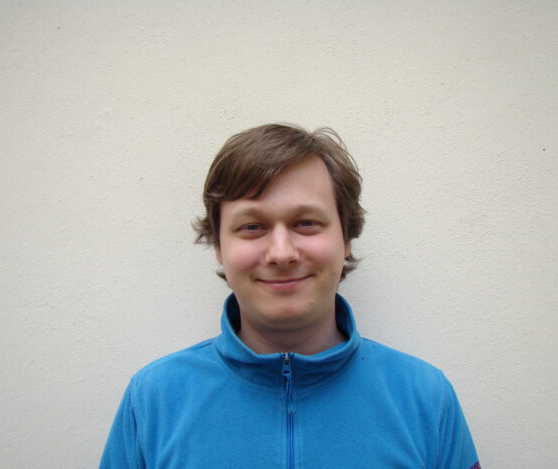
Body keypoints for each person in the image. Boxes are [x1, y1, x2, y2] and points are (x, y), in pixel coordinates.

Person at [100, 124, 480, 468]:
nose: (281, 254)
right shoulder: (152, 401)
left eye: (306, 223)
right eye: (252, 226)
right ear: (218, 246)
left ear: (346, 239)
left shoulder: (426, 399)